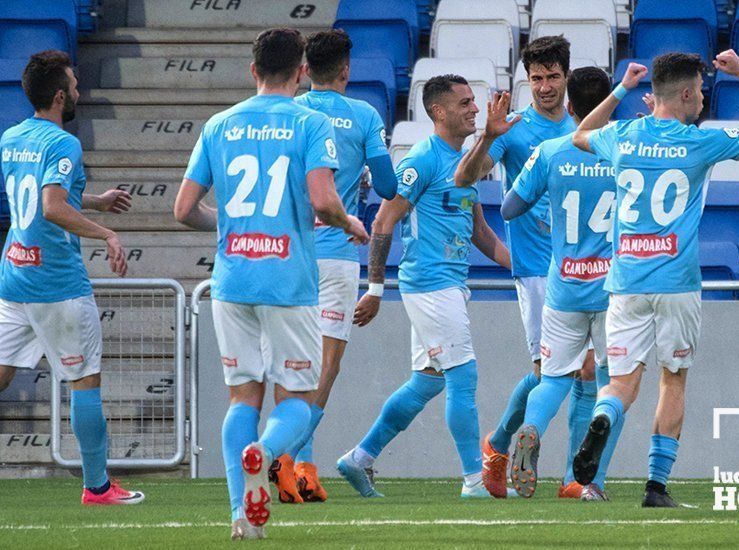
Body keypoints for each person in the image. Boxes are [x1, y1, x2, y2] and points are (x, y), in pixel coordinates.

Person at [0, 50, 143, 509]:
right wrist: (107, 233)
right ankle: (98, 487)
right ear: (60, 96)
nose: (80, 91)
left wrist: (96, 201)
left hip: (15, 274)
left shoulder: (12, 137)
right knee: (85, 380)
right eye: (76, 86)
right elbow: (51, 207)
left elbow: (38, 194)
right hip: (56, 281)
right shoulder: (64, 144)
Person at [173, 28, 369, 539]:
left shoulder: (219, 124)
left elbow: (183, 209)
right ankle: (266, 453)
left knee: (243, 399)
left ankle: (241, 514)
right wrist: (350, 224)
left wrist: (234, 226)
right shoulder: (311, 121)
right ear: (301, 72)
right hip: (288, 281)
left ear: (252, 71)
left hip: (232, 280)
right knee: (297, 402)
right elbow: (325, 201)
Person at [570, 50, 739, 507]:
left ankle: (605, 415)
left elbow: (579, 134)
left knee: (622, 385)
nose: (704, 100)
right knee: (673, 379)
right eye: (702, 92)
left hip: (625, 282)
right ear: (686, 93)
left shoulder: (624, 135)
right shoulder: (700, 142)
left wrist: (621, 89)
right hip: (677, 283)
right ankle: (655, 487)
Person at [337, 74, 513, 499]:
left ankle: (359, 458)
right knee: (463, 375)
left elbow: (482, 235)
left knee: (428, 381)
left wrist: (528, 269)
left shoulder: (464, 161)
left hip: (447, 283)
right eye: (465, 102)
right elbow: (382, 220)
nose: (474, 108)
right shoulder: (422, 160)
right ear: (439, 112)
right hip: (430, 284)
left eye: (474, 101)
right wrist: (376, 290)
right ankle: (474, 480)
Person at [455, 35, 595, 499]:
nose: (544, 86)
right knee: (546, 374)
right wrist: (489, 136)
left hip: (585, 269)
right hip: (536, 267)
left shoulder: (585, 128)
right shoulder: (513, 130)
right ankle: (496, 448)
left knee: (587, 371)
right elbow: (466, 179)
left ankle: (575, 479)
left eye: (553, 76)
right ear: (525, 80)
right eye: (536, 78)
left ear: (566, 77)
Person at [265, 29, 397, 504]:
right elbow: (387, 184)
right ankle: (285, 459)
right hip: (339, 252)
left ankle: (303, 469)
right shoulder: (363, 115)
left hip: (289, 249)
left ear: (305, 69)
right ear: (346, 69)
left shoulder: (290, 111)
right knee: (326, 365)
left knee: (289, 361)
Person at [494, 67, 621, 501]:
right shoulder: (625, 149)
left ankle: (530, 429)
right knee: (610, 384)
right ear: (611, 105)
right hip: (611, 289)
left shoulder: (550, 149)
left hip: (563, 284)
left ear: (570, 107)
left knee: (553, 379)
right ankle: (591, 483)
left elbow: (509, 208)